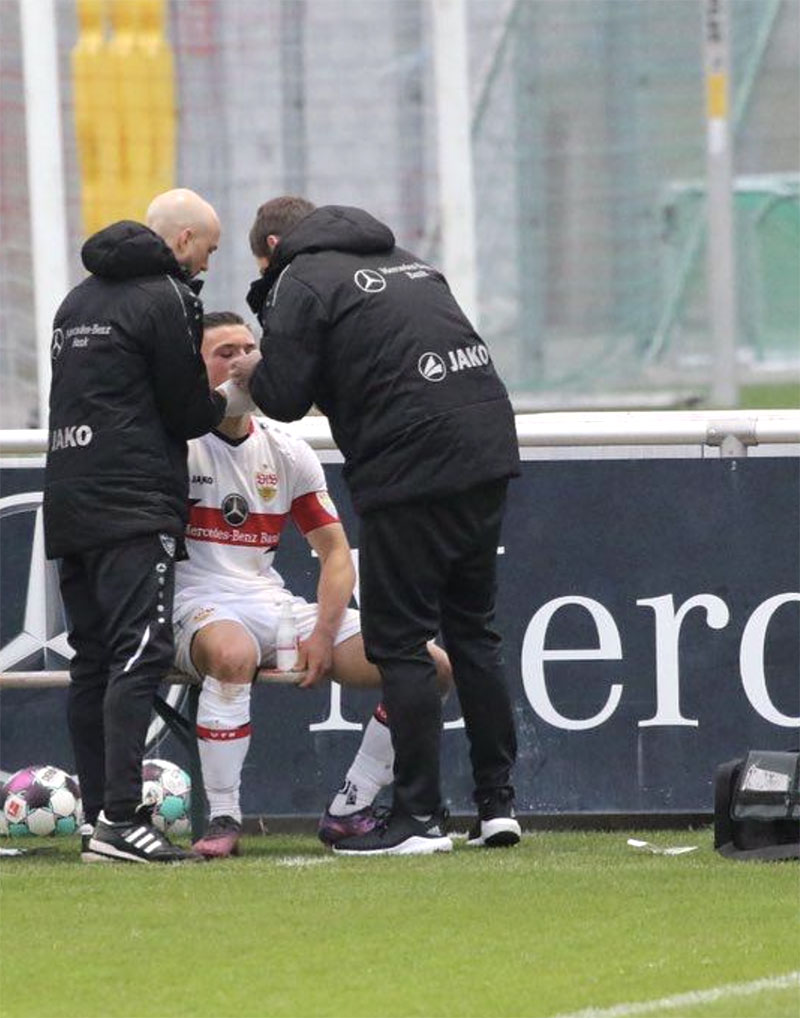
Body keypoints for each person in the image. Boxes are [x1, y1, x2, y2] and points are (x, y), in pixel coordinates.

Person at [230, 197, 522, 856]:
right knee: (473, 631)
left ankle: (417, 819)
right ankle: (498, 806)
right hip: (487, 446)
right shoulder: (409, 261)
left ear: (273, 244)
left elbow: (283, 397)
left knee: (401, 642)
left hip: (412, 465)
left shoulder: (301, 278)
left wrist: (253, 370)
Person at [176, 312, 453, 858]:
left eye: (249, 349)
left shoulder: (286, 449)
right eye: (224, 353)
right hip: (195, 603)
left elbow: (334, 554)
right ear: (195, 369)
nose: (241, 363)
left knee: (429, 667)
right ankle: (224, 817)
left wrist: (323, 632)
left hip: (271, 603)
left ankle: (352, 805)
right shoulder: (176, 446)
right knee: (231, 654)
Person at [43, 188, 245, 864]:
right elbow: (186, 411)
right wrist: (235, 393)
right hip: (132, 502)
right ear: (182, 241)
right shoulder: (169, 295)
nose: (207, 267)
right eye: (209, 250)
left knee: (93, 661)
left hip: (68, 497)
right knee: (138, 654)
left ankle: (101, 816)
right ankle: (124, 820)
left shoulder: (76, 300)